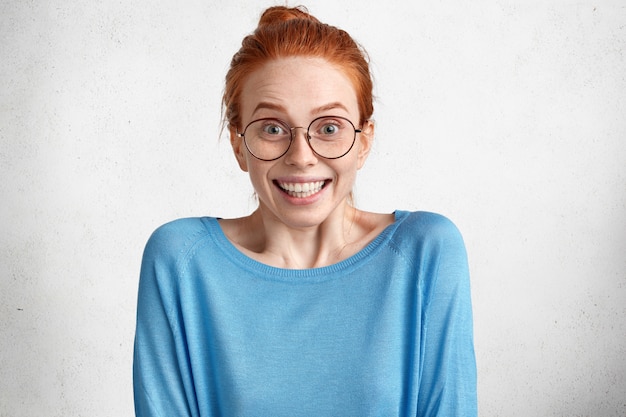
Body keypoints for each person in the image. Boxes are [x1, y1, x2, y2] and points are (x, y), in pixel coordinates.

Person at [133, 5, 476, 417]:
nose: (301, 157)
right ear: (238, 144)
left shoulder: (425, 252)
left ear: (364, 141)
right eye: (272, 128)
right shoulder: (180, 261)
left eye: (329, 128)